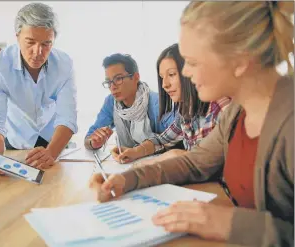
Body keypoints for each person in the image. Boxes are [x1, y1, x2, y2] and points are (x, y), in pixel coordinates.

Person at [90, 1, 294, 246]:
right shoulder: (237, 113)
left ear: (240, 61)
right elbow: (195, 163)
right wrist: (128, 179)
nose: (185, 72)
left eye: (193, 62)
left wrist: (229, 223)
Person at [0, 3, 78, 173]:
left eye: (46, 44)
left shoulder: (64, 64)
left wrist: (51, 153)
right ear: (17, 37)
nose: (38, 52)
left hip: (54, 141)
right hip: (15, 141)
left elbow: (67, 117)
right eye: (30, 42)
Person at [111, 44, 230, 164]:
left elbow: (227, 163)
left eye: (172, 75)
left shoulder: (222, 108)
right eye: (162, 77)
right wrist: (135, 151)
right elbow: (163, 140)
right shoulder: (185, 110)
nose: (164, 84)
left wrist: (180, 155)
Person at [84, 53, 175, 151]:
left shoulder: (158, 103)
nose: (113, 87)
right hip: (127, 163)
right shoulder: (111, 102)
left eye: (118, 79)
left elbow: (180, 139)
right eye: (109, 82)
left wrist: (139, 151)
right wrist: (93, 142)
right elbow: (88, 138)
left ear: (136, 77)